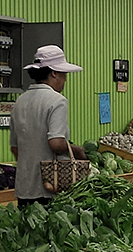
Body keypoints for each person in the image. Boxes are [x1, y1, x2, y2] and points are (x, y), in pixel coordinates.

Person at [10, 45, 87, 206]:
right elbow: (56, 143)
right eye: (64, 75)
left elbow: (15, 148)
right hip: (50, 186)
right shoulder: (57, 100)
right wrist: (77, 150)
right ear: (54, 73)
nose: (65, 80)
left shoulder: (20, 101)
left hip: (24, 187)